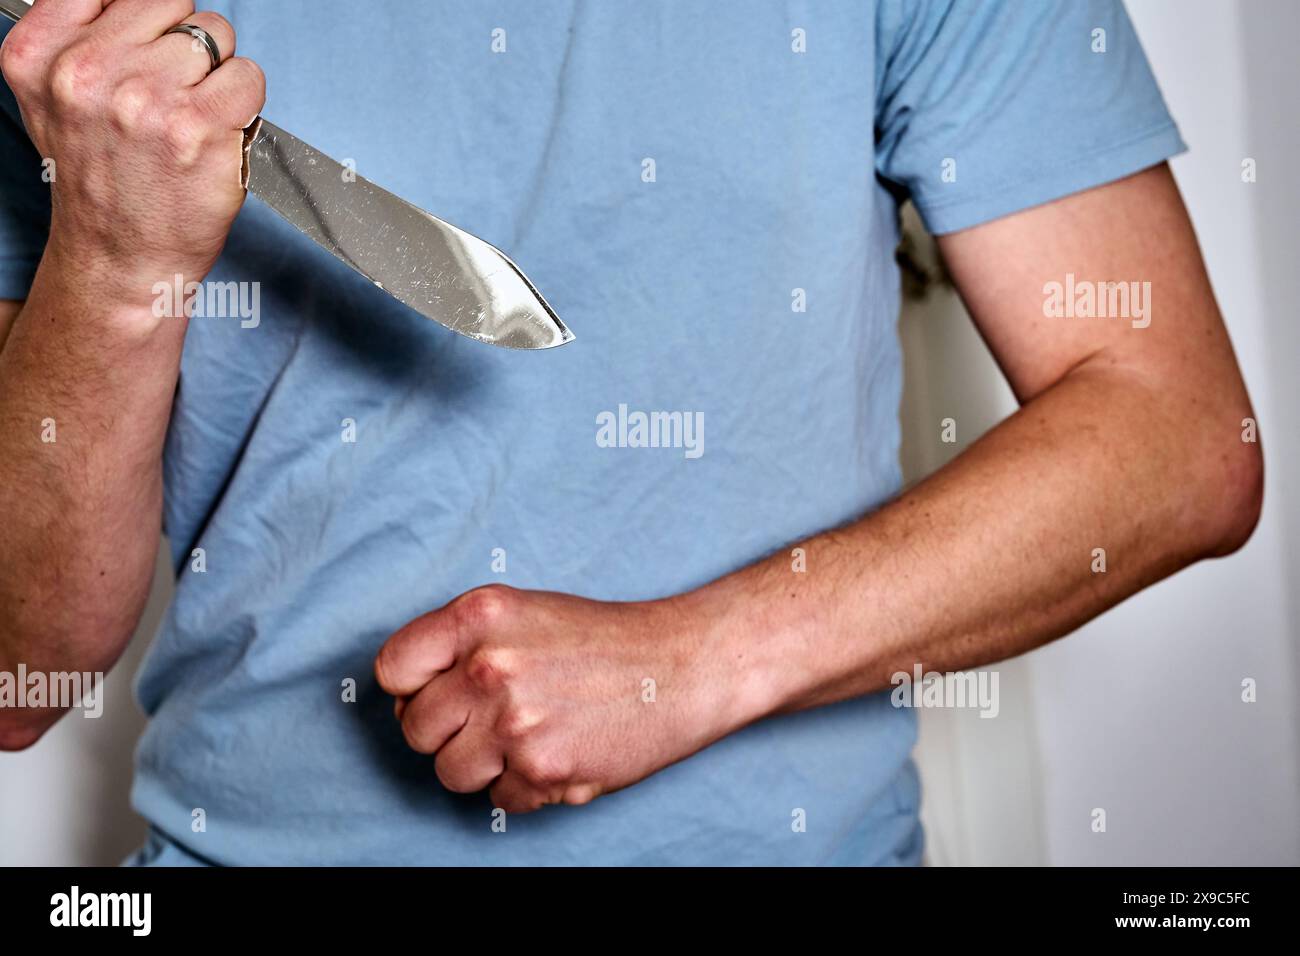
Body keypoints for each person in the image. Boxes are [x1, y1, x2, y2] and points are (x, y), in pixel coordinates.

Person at [0, 0, 1261, 866]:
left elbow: (1179, 430)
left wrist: (693, 658)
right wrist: (112, 260)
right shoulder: (77, 38)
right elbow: (16, 669)